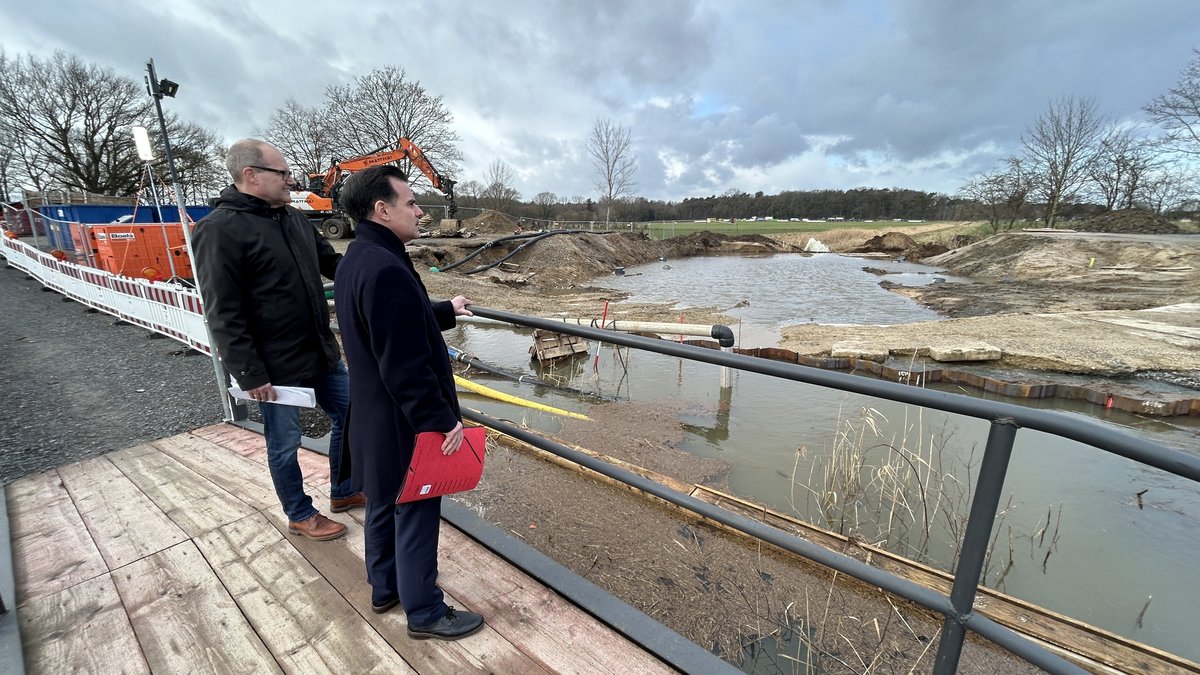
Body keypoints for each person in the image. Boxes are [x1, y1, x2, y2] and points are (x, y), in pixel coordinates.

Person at [333, 164, 483, 640]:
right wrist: (437, 421)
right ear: (382, 209)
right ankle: (425, 612)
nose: (420, 211)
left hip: (374, 412)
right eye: (411, 202)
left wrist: (445, 310)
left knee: (382, 499)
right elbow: (403, 361)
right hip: (404, 417)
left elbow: (390, 324)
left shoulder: (359, 257)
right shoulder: (386, 267)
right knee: (417, 508)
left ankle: (385, 588)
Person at [192, 138, 364, 542]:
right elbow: (222, 311)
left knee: (353, 413)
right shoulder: (218, 230)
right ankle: (299, 513)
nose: (291, 180)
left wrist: (376, 265)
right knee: (284, 442)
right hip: (273, 366)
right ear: (250, 175)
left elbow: (334, 264)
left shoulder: (293, 219)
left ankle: (342, 490)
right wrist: (250, 374)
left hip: (318, 352)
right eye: (282, 173)